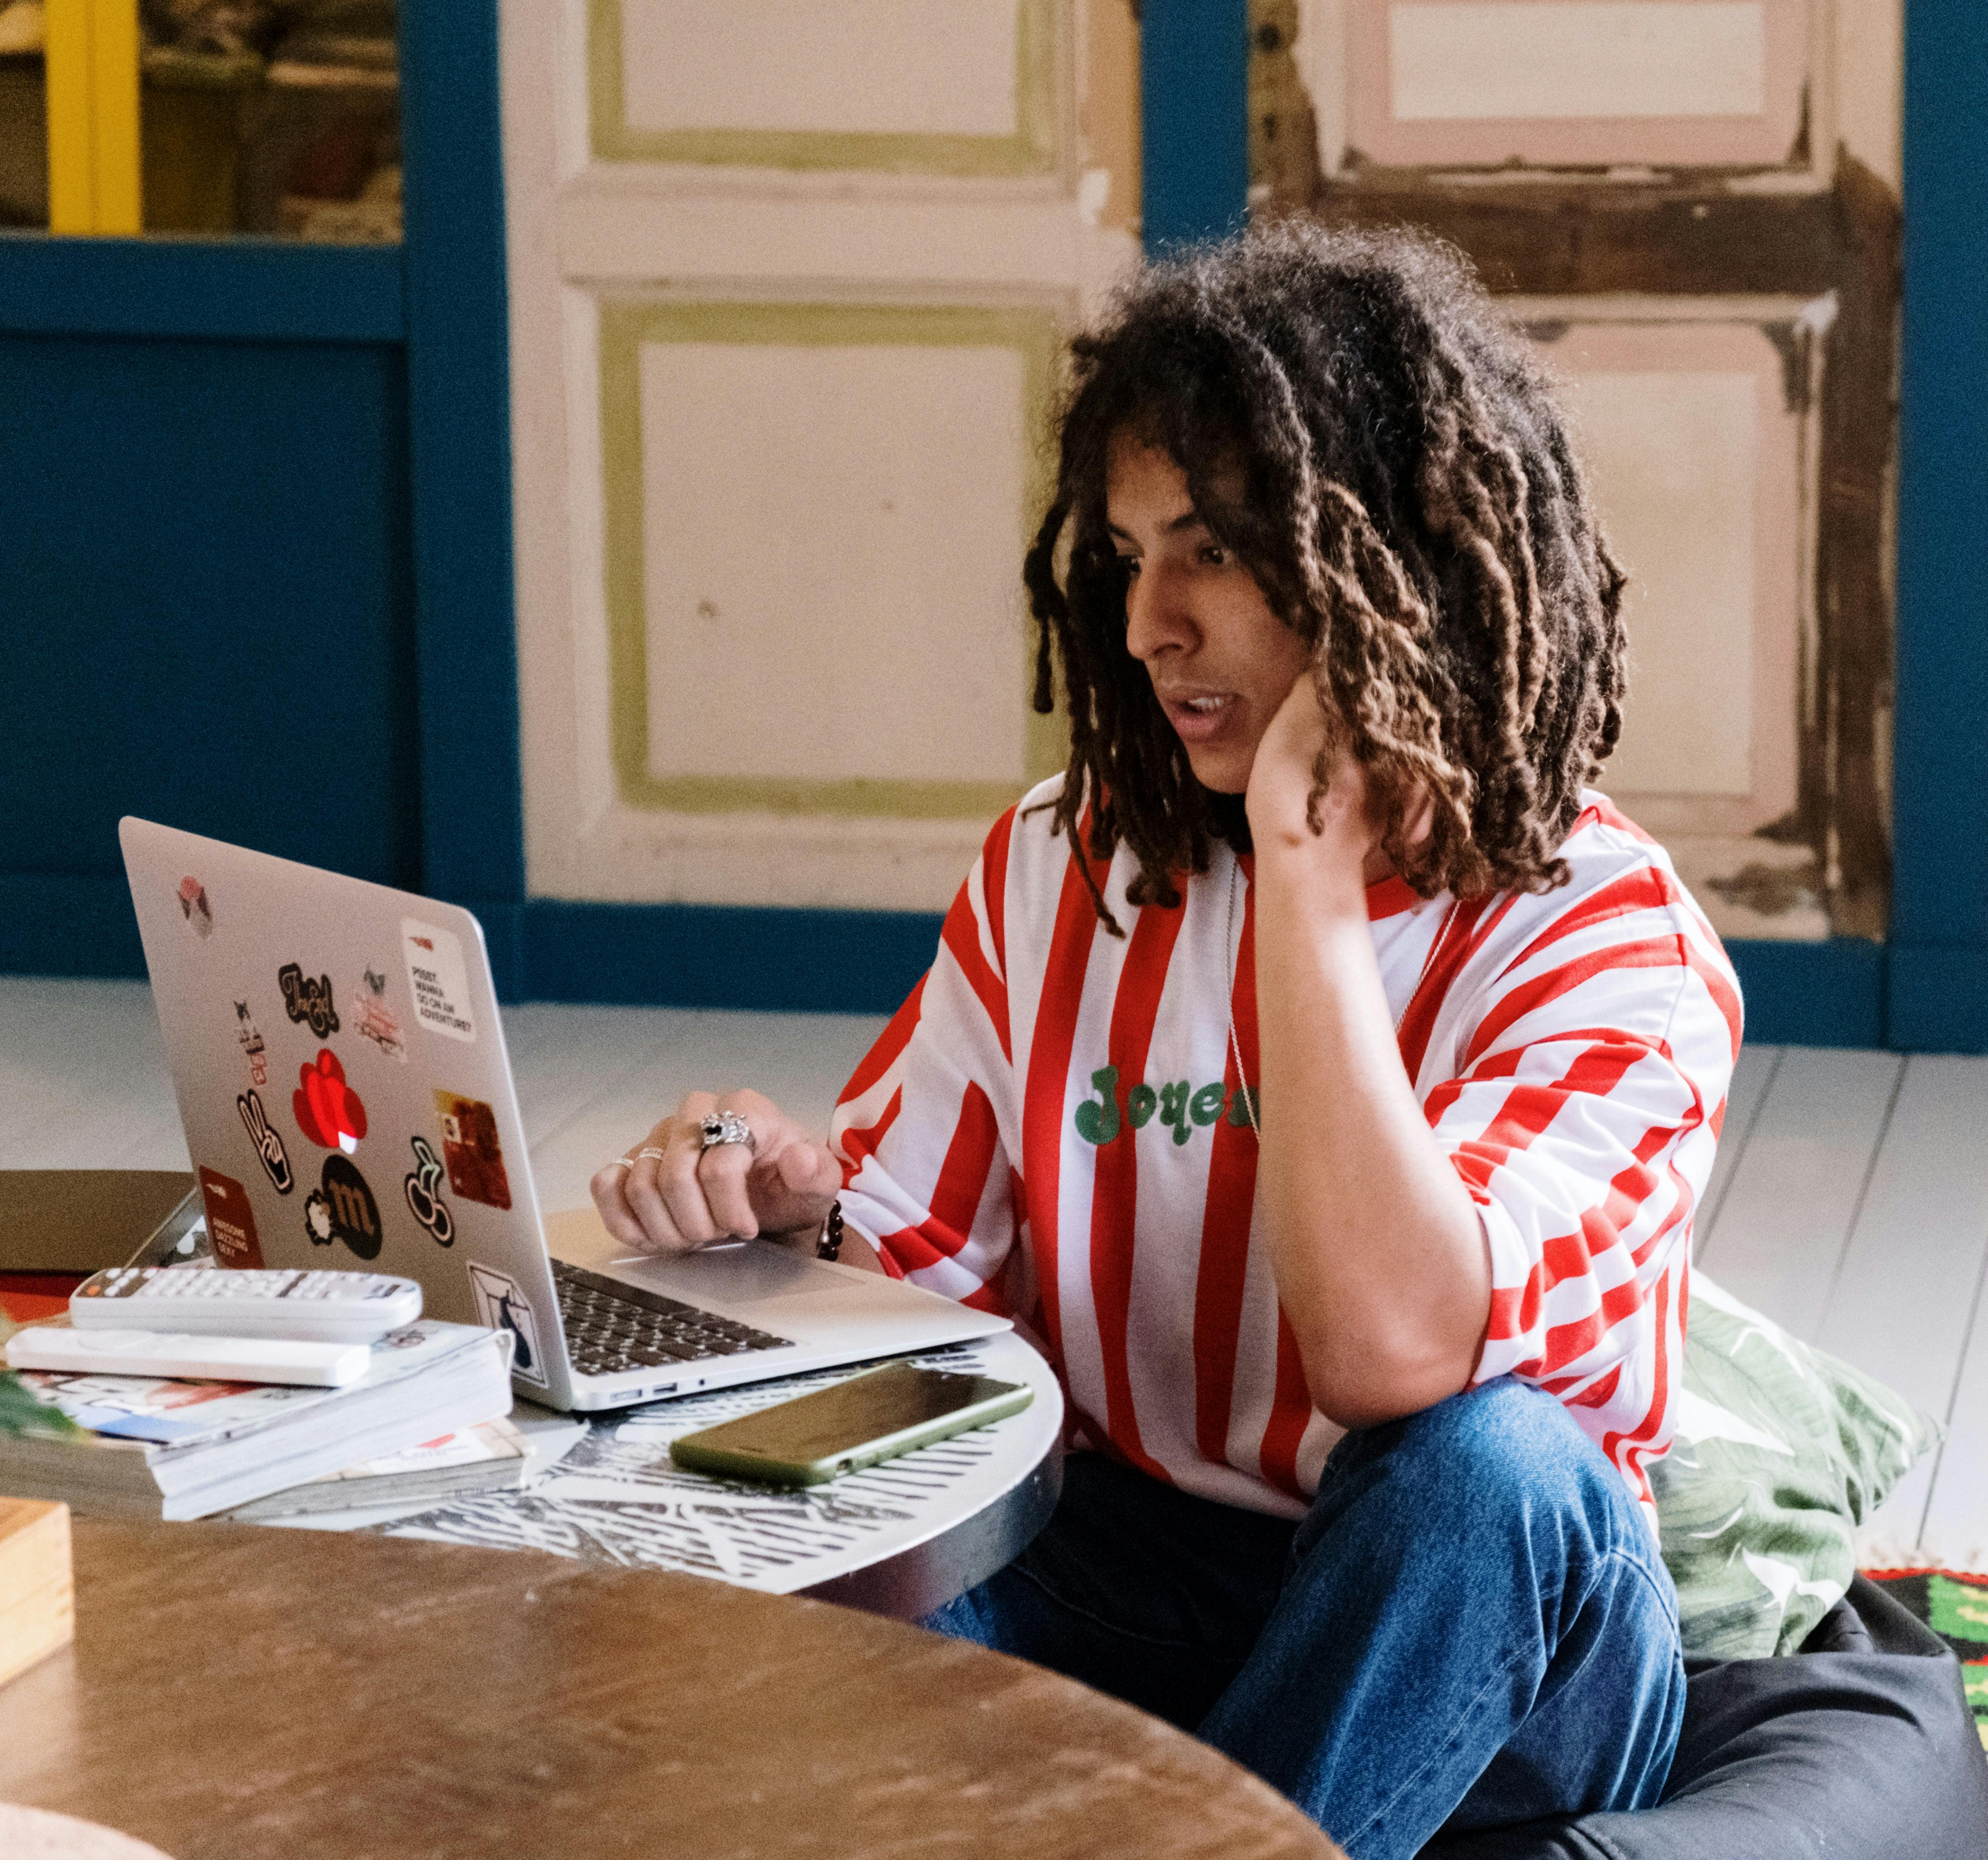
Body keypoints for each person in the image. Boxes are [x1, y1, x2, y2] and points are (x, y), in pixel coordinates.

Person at [589, 223, 1742, 1860]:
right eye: (1128, 556)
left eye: (1207, 550)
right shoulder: (1062, 862)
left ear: (1387, 566)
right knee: (790, 1562)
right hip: (1122, 1570)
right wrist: (787, 1201)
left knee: (1483, 1468)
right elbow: (919, 1264)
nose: (1147, 624)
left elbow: (1392, 1355)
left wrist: (1310, 878)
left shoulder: (1608, 938)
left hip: (1480, 1636)